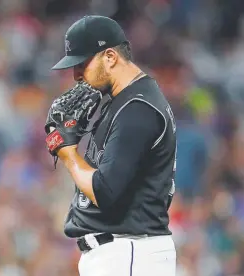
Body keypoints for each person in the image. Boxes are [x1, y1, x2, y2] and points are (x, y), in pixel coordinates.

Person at [46, 15, 177, 276]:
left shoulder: (137, 109)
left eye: (82, 63)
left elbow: (104, 191)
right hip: (123, 252)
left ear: (110, 57)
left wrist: (68, 153)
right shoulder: (124, 101)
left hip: (129, 252)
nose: (76, 75)